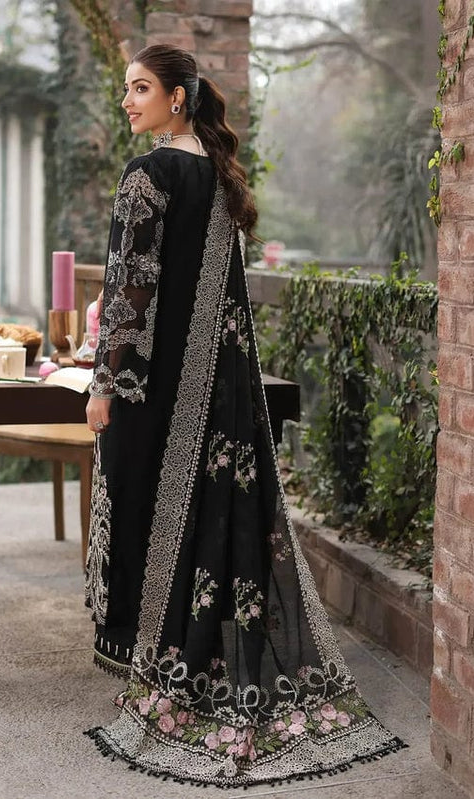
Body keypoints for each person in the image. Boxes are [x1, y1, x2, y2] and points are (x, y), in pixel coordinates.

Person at [84, 43, 403, 788]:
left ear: (177, 97)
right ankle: (190, 655)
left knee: (139, 506)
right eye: (127, 88)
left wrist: (104, 385)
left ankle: (155, 660)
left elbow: (130, 289)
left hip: (147, 385)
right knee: (192, 513)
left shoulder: (148, 174)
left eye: (140, 88)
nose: (127, 101)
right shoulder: (218, 175)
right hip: (210, 389)